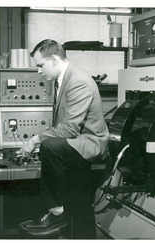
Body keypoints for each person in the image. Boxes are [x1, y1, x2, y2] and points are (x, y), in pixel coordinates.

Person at [17, 39, 109, 239]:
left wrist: (34, 140)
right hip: (77, 142)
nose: (39, 71)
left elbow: (68, 128)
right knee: (79, 203)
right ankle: (64, 218)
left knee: (49, 146)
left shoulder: (78, 81)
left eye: (40, 65)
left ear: (54, 59)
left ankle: (56, 211)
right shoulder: (63, 79)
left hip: (90, 144)